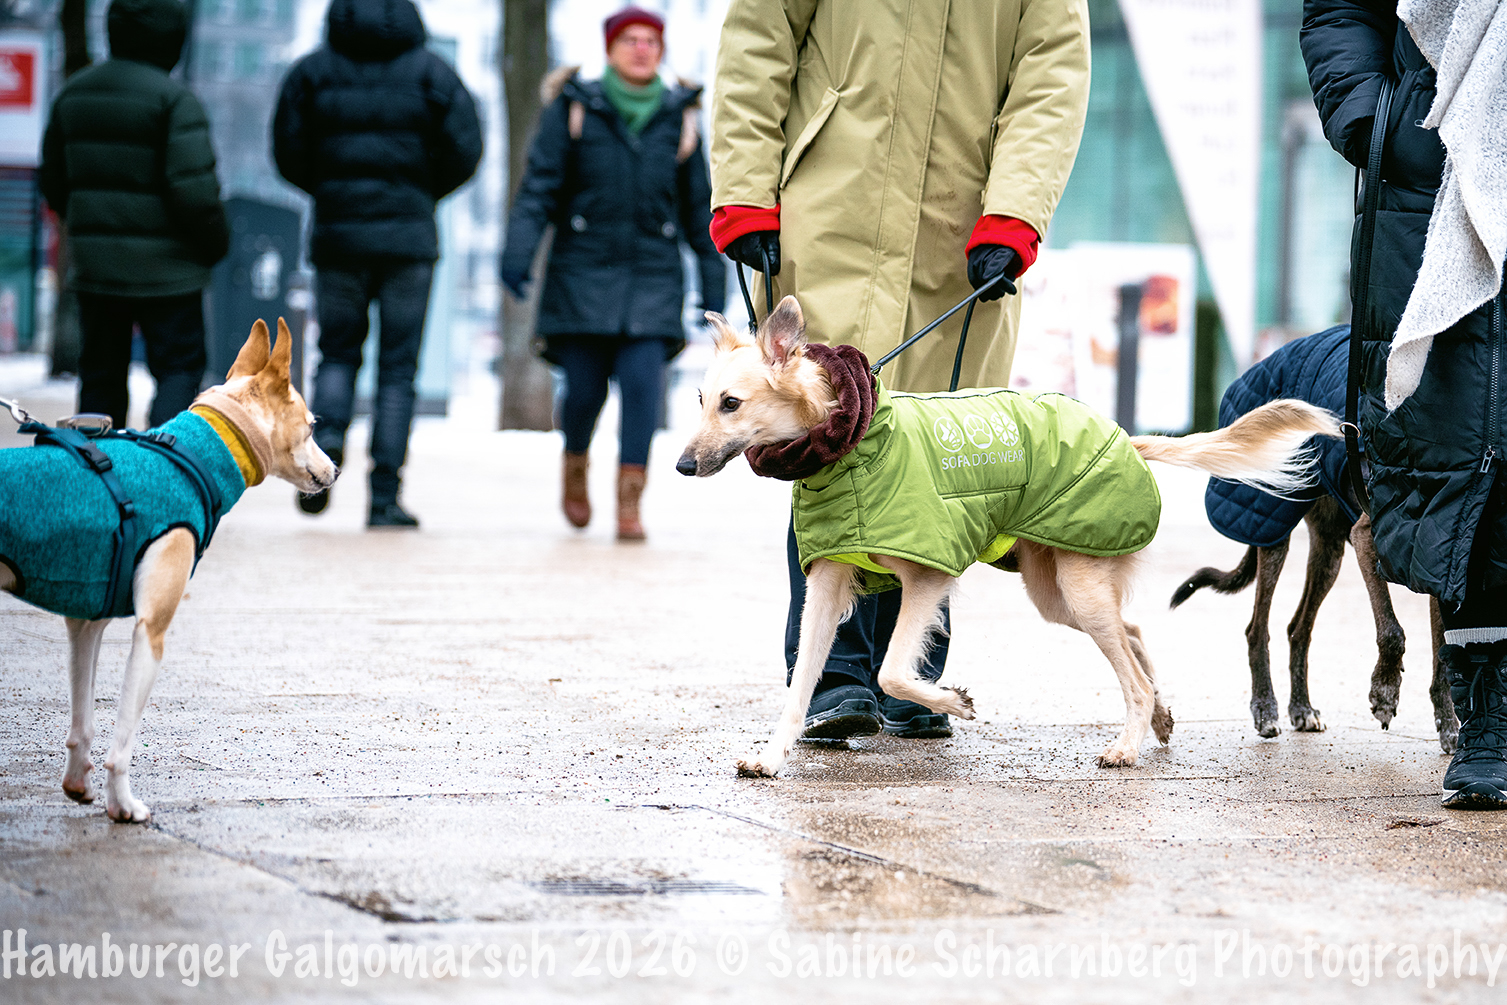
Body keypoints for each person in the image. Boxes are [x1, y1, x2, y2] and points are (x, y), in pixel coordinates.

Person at [709, 1, 1090, 739]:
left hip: (961, 232)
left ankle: (912, 673)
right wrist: (747, 191)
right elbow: (758, 37)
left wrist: (1014, 211)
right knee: (827, 440)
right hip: (830, 214)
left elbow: (1050, 76)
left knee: (940, 460)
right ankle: (831, 676)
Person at [1303, 0, 1507, 808]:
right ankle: (1486, 714)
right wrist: (1375, 119)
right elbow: (1336, 9)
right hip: (1432, 169)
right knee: (1463, 451)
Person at [501, 6, 726, 541]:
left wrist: (711, 278)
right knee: (582, 392)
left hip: (653, 277)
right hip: (581, 273)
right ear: (610, 48)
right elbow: (538, 188)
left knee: (644, 388)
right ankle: (575, 464)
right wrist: (518, 252)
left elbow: (699, 208)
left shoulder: (681, 113)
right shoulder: (574, 107)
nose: (642, 48)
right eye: (630, 39)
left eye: (652, 39)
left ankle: (630, 503)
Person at [273, 0, 482, 528]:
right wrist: (420, 193)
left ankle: (324, 459)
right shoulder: (433, 73)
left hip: (338, 236)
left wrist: (330, 191)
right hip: (409, 240)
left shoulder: (311, 72)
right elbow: (466, 149)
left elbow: (287, 151)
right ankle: (384, 497)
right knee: (397, 369)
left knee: (337, 355)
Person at [39, 0, 229, 433]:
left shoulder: (74, 93)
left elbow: (53, 180)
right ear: (173, 38)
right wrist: (215, 245)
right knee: (178, 374)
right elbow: (195, 194)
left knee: (100, 380)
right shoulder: (175, 100)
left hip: (97, 272)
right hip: (172, 275)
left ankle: (98, 481)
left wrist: (89, 229)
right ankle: (165, 476)